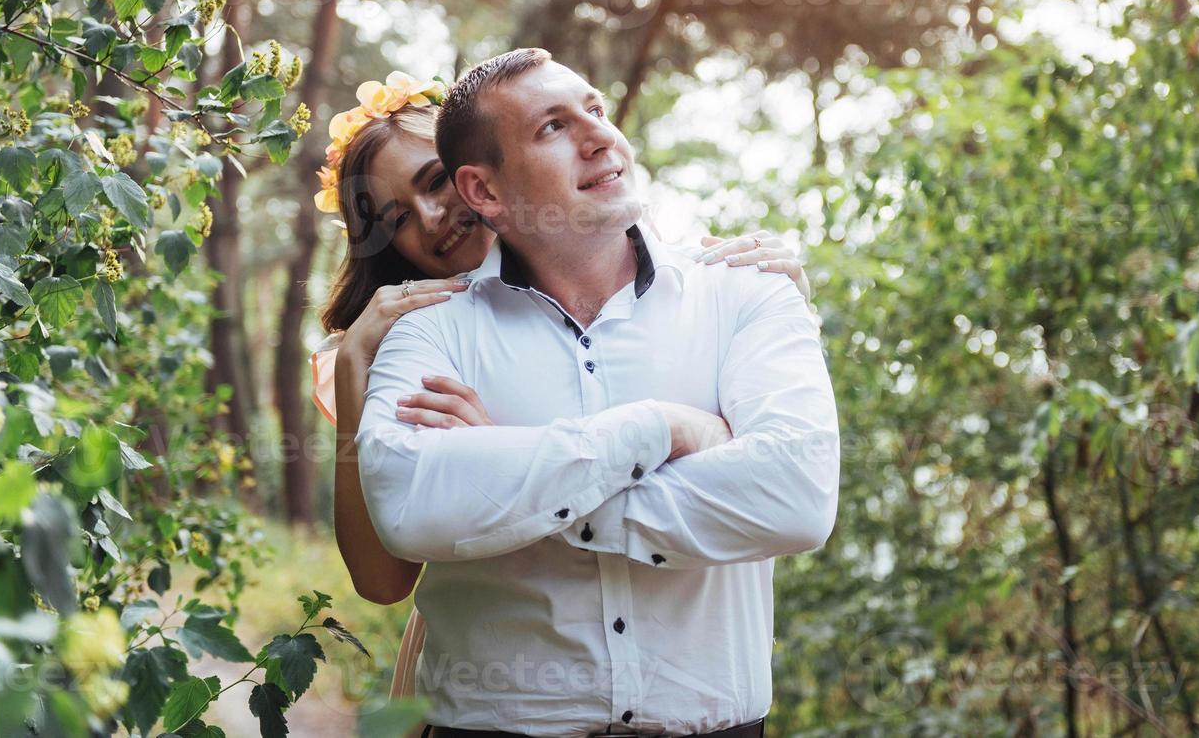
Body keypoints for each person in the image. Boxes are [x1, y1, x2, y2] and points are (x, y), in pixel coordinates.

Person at [355, 48, 839, 735]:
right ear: (485, 191)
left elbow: (795, 498)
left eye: (595, 109)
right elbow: (408, 506)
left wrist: (509, 481)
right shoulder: (424, 332)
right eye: (551, 127)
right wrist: (662, 429)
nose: (598, 136)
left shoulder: (748, 292)